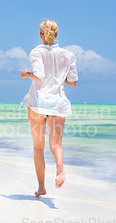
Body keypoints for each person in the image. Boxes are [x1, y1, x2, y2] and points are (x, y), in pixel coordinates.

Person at [20, 20, 78, 197]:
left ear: (40, 35)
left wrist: (25, 74)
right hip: (58, 104)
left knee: (38, 147)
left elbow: (38, 75)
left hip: (38, 103)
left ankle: (41, 187)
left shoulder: (37, 52)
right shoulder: (68, 55)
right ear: (56, 35)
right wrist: (60, 79)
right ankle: (59, 165)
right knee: (55, 145)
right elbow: (73, 83)